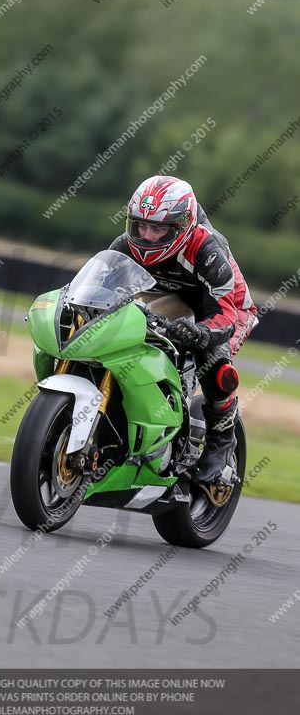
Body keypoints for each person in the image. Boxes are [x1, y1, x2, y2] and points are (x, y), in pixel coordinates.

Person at [109, 175, 258, 484]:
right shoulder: (125, 245)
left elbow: (226, 313)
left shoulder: (207, 248)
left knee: (212, 359)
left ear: (182, 226)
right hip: (172, 301)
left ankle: (222, 437)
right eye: (141, 226)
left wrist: (201, 333)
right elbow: (101, 286)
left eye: (158, 228)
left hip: (226, 308)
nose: (147, 236)